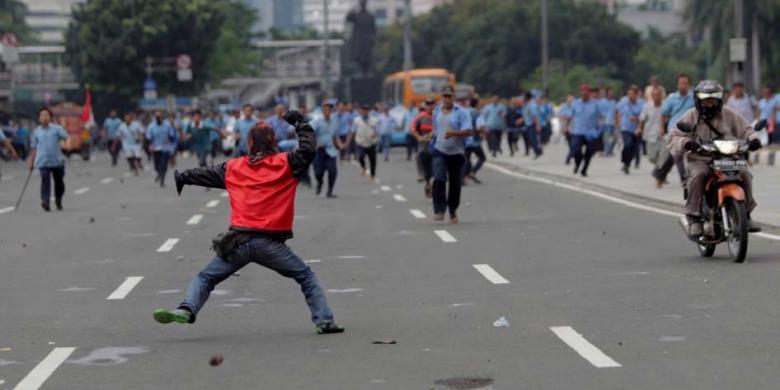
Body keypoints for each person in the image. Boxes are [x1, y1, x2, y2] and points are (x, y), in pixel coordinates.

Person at [154, 112, 345, 335]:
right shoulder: (286, 163)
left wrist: (183, 177)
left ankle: (186, 309)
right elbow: (308, 149)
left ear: (250, 143)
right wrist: (301, 123)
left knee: (205, 277)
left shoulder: (234, 167)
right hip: (270, 244)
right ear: (274, 141)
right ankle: (324, 321)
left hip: (238, 242)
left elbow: (205, 173)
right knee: (305, 277)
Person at [668, 80, 762, 235]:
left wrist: (753, 139)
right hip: (700, 158)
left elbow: (746, 129)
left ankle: (747, 214)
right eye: (706, 99)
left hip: (728, 156)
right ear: (699, 100)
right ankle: (694, 218)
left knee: (745, 174)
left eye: (713, 99)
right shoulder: (691, 115)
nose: (710, 103)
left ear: (719, 99)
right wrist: (686, 143)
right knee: (698, 175)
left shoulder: (728, 113)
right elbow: (673, 136)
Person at [431, 86, 472, 223]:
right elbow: (436, 130)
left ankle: (452, 210)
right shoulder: (436, 111)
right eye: (445, 96)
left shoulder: (461, 112)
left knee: (455, 184)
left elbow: (468, 131)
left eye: (450, 96)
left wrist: (454, 133)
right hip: (440, 150)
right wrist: (430, 137)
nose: (447, 99)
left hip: (457, 152)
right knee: (438, 179)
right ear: (441, 97)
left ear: (454, 97)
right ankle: (439, 210)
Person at [654, 74, 694, 188]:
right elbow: (664, 114)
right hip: (674, 131)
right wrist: (662, 128)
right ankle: (684, 179)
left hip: (689, 131)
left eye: (685, 83)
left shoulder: (693, 98)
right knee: (677, 155)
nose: (683, 85)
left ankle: (659, 176)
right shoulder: (671, 98)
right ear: (677, 84)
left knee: (673, 158)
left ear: (689, 85)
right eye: (681, 83)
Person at [27, 107, 69, 211]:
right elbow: (34, 148)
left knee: (59, 182)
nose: (44, 117)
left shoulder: (57, 128)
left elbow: (65, 137)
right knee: (45, 180)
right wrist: (31, 162)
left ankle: (58, 199)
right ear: (39, 118)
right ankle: (45, 201)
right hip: (42, 161)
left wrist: (63, 130)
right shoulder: (36, 132)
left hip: (57, 161)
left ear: (50, 117)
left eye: (47, 115)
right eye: (42, 115)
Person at [568, 84, 602, 177]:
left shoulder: (596, 104)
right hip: (578, 131)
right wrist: (568, 128)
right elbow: (571, 116)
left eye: (586, 91)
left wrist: (599, 129)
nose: (584, 93)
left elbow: (601, 117)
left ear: (589, 92)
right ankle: (577, 164)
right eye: (582, 91)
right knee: (576, 150)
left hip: (591, 132)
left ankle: (584, 169)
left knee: (589, 152)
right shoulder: (575, 103)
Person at [311, 100, 343, 197]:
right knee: (318, 172)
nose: (328, 111)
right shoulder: (316, 122)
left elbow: (335, 136)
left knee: (332, 170)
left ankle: (330, 191)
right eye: (326, 109)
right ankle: (319, 182)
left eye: (329, 109)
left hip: (330, 150)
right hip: (319, 151)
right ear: (322, 111)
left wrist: (341, 145)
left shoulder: (335, 122)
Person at [616, 85, 644, 174]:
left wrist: (637, 119)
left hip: (637, 129)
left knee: (633, 149)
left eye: (632, 94)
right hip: (625, 127)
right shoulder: (623, 101)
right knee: (628, 144)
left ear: (636, 95)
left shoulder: (642, 103)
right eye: (628, 94)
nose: (630, 96)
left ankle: (627, 165)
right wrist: (619, 122)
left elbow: (644, 116)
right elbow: (618, 111)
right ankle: (624, 159)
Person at [411, 98, 435, 197]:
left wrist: (431, 135)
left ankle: (433, 188)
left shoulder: (438, 116)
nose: (430, 106)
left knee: (436, 170)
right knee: (427, 170)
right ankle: (428, 184)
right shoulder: (420, 117)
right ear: (425, 106)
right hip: (424, 149)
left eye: (432, 104)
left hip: (436, 148)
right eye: (428, 104)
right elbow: (412, 129)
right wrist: (419, 137)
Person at [146, 111, 177, 187]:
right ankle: (159, 173)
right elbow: (148, 138)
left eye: (159, 116)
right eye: (157, 117)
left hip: (166, 148)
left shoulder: (167, 125)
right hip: (156, 148)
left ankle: (162, 181)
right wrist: (150, 145)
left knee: (164, 165)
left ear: (162, 117)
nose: (158, 118)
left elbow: (172, 136)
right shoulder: (151, 126)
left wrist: (169, 140)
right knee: (157, 166)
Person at [638, 86, 665, 172]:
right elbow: (642, 119)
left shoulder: (666, 106)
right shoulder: (647, 106)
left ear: (661, 96)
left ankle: (661, 173)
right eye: (654, 95)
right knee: (651, 157)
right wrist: (639, 129)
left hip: (663, 135)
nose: (656, 97)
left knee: (663, 156)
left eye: (658, 95)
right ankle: (659, 168)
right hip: (650, 135)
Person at [352, 104, 379, 180]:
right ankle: (363, 167)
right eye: (363, 110)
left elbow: (377, 129)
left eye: (366, 110)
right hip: (361, 142)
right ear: (361, 111)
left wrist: (376, 134)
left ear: (368, 111)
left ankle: (372, 175)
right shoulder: (357, 120)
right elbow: (353, 130)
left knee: (372, 160)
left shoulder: (373, 120)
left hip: (371, 142)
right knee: (360, 157)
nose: (365, 112)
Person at [464, 97, 487, 184]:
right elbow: (478, 127)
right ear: (477, 104)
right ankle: (472, 172)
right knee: (482, 157)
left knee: (467, 159)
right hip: (474, 141)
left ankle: (465, 177)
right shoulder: (478, 114)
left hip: (465, 139)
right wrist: (485, 132)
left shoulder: (465, 112)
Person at [522, 91, 543, 158]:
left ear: (527, 97)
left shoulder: (531, 105)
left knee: (532, 139)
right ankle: (538, 151)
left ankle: (538, 151)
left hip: (532, 124)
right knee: (531, 139)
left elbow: (535, 116)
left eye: (524, 97)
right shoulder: (527, 104)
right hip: (528, 124)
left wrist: (537, 125)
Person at [599, 87, 618, 157]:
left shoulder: (613, 102)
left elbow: (616, 112)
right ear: (607, 93)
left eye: (612, 92)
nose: (611, 93)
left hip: (612, 122)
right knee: (607, 138)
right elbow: (599, 112)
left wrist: (617, 121)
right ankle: (606, 151)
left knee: (615, 137)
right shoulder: (602, 102)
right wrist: (600, 121)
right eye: (610, 92)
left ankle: (610, 150)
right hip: (606, 122)